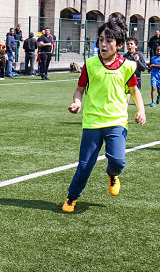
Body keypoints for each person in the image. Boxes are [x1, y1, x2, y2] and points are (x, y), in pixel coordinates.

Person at [62, 15, 146, 213]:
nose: (103, 44)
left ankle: (112, 174)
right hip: (92, 122)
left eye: (109, 41)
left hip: (116, 121)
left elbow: (135, 91)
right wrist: (76, 103)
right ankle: (72, 197)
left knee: (117, 161)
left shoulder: (127, 66)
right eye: (101, 40)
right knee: (85, 165)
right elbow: (79, 89)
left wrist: (141, 110)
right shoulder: (90, 64)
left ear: (118, 45)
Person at [123, 37, 147, 102]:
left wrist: (138, 61)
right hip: (127, 80)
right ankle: (124, 112)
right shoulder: (125, 56)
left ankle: (140, 111)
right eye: (127, 44)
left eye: (131, 44)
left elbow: (144, 68)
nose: (129, 46)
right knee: (126, 99)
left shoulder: (139, 55)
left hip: (136, 80)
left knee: (136, 100)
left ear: (136, 46)